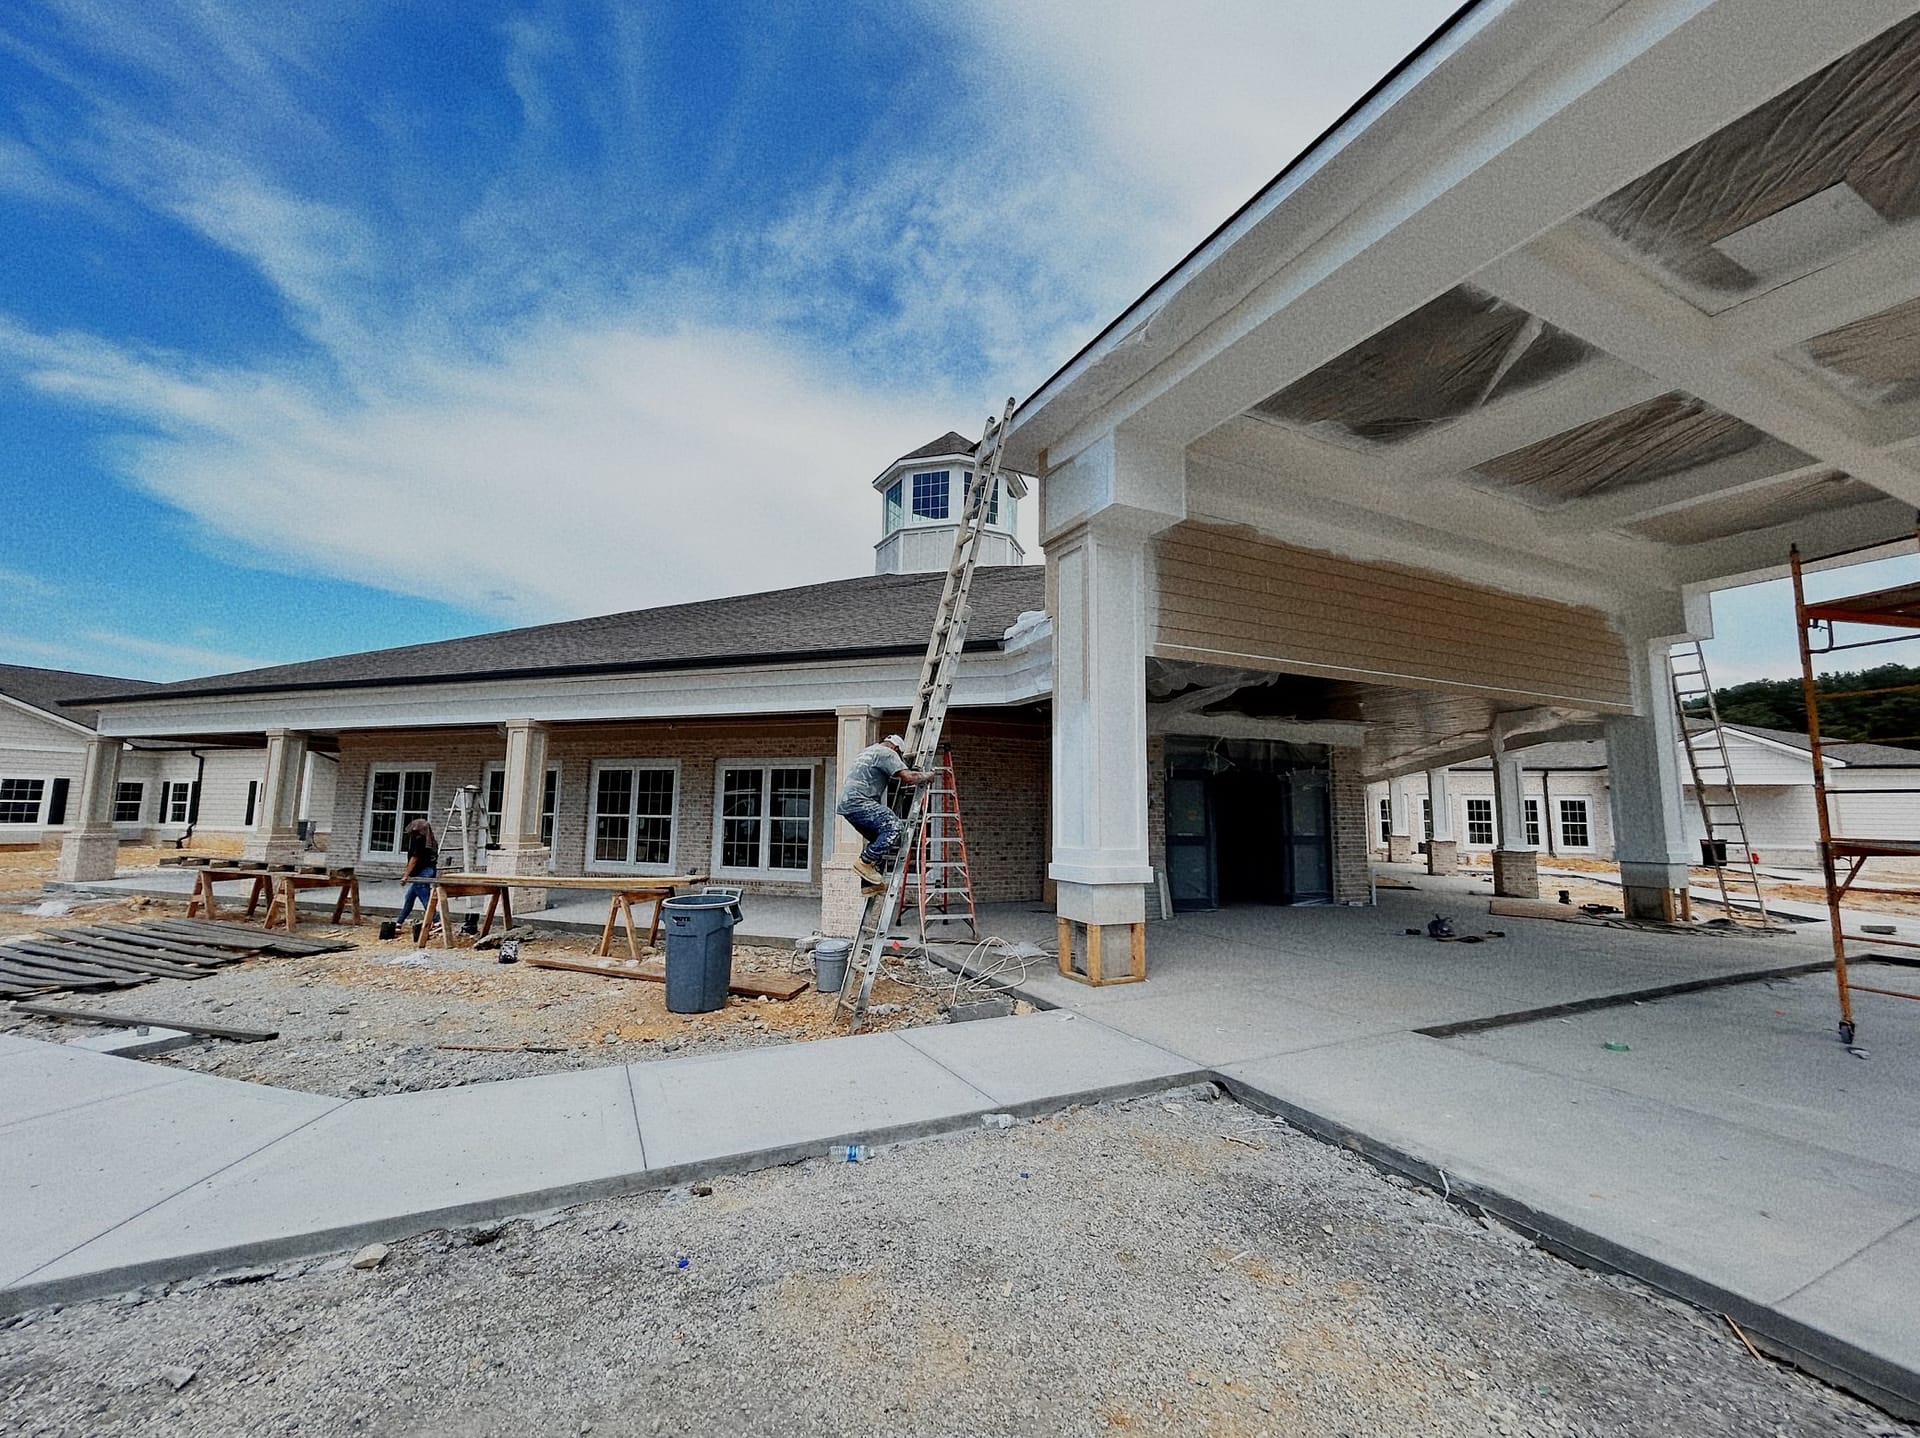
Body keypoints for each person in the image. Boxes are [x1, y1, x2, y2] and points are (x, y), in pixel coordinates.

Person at [835, 734, 935, 884]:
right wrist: (927, 776)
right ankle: (864, 862)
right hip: (860, 802)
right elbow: (908, 777)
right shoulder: (888, 753)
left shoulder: (869, 751)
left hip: (847, 804)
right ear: (896, 749)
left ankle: (869, 885)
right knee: (893, 828)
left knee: (878, 839)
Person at [395, 816, 439, 930]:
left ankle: (437, 921)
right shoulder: (432, 841)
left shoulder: (419, 840)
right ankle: (399, 922)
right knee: (409, 897)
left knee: (425, 899)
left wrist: (406, 875)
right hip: (431, 870)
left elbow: (414, 859)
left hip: (422, 872)